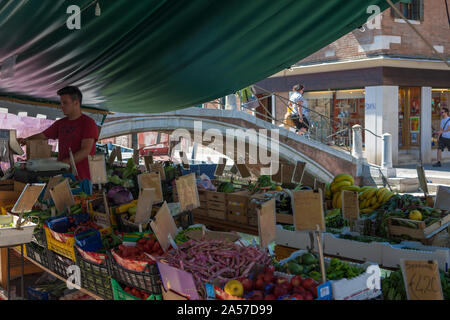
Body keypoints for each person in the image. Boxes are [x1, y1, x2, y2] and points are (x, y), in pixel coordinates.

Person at [18, 86, 99, 180]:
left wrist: (63, 163)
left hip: (82, 177)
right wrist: (26, 140)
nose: (61, 106)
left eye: (65, 103)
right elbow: (43, 135)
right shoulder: (61, 123)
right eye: (61, 103)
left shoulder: (88, 123)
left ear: (76, 103)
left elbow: (85, 150)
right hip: (63, 174)